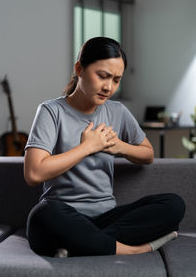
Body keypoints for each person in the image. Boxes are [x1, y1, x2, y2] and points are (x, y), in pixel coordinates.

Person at [24, 37, 185, 257]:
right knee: (42, 214)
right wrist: (87, 147)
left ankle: (83, 243)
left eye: (116, 80)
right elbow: (33, 173)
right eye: (102, 76)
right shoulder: (51, 111)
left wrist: (120, 147)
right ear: (79, 69)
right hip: (63, 214)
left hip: (106, 216)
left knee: (174, 204)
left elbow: (147, 154)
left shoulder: (117, 111)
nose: (109, 87)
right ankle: (130, 249)